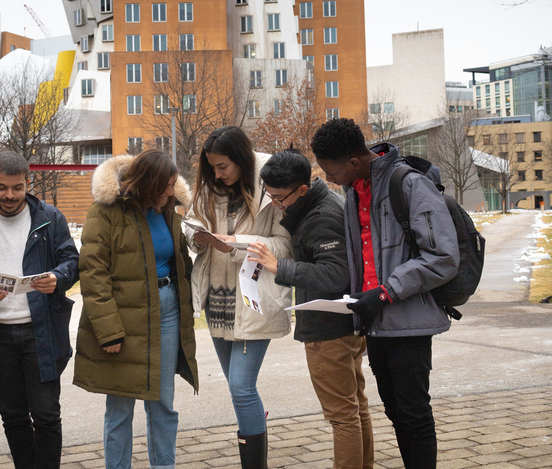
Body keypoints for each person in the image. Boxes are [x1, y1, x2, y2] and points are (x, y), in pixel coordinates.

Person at [310, 118, 459, 469]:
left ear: (354, 162)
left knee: (414, 415)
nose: (328, 179)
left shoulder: (409, 184)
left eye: (331, 171)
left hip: (409, 322)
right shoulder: (352, 193)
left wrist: (385, 292)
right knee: (395, 411)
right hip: (375, 322)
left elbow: (443, 257)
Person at [248, 149, 374, 469]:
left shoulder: (321, 217)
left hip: (328, 328)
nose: (275, 203)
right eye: (269, 195)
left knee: (342, 416)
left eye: (279, 198)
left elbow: (334, 274)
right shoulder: (321, 204)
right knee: (355, 408)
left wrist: (281, 267)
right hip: (343, 322)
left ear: (302, 189)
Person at [74, 150, 199, 469]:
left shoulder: (168, 208)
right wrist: (108, 330)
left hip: (168, 309)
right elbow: (92, 273)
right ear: (147, 184)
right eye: (166, 185)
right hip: (123, 315)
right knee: (120, 407)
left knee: (163, 403)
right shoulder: (106, 211)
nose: (172, 191)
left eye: (174, 185)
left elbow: (180, 260)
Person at [184, 126, 291, 469]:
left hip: (253, 302)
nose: (217, 174)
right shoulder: (209, 188)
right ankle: (253, 446)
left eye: (223, 166)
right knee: (237, 389)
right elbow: (190, 223)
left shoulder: (271, 187)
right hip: (217, 302)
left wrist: (239, 242)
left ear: (242, 161)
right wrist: (198, 238)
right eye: (212, 167)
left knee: (243, 388)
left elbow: (285, 244)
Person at [0, 152, 79, 469]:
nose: (9, 195)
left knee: (45, 415)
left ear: (28, 183)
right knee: (13, 416)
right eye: (1, 187)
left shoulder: (50, 218)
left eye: (17, 187)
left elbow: (72, 262)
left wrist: (57, 278)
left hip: (40, 332)